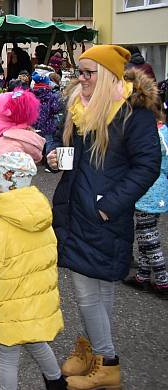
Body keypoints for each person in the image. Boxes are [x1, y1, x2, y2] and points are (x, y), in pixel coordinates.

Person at [46, 46, 161, 389]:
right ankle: (90, 350)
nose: (79, 79)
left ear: (109, 75)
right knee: (99, 291)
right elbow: (65, 146)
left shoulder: (131, 112)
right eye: (77, 72)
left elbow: (147, 166)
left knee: (89, 292)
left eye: (87, 73)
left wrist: (109, 204)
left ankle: (108, 362)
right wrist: (53, 153)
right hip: (75, 210)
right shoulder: (80, 107)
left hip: (103, 216)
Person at [0, 152, 67, 390]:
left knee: (8, 358)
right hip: (38, 301)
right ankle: (56, 381)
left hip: (10, 304)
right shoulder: (42, 219)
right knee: (36, 342)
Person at [125, 114, 168, 299]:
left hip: (147, 191)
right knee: (146, 233)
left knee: (148, 237)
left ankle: (162, 279)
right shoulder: (164, 131)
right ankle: (142, 275)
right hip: (160, 189)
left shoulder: (150, 135)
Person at [31, 66, 64, 157]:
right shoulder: (51, 95)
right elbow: (55, 108)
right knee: (49, 141)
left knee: (36, 141)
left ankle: (36, 158)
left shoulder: (32, 94)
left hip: (35, 122)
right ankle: (49, 158)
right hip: (48, 122)